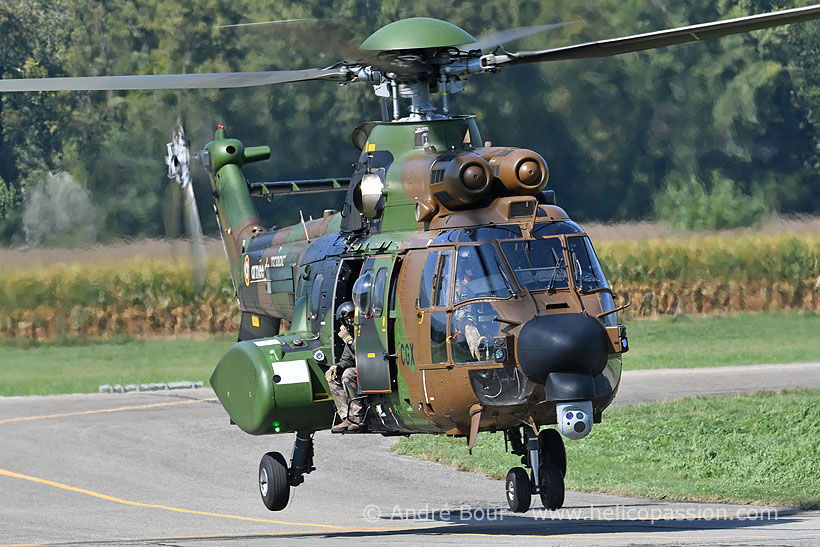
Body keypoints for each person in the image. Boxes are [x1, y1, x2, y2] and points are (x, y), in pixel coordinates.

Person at [326, 301, 365, 432]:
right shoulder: (351, 334)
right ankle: (347, 417)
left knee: (348, 374)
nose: (349, 320)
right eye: (346, 319)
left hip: (373, 368)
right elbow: (347, 359)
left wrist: (349, 340)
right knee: (333, 378)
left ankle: (357, 416)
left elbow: (364, 351)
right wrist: (336, 367)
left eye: (351, 317)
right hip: (358, 369)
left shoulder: (365, 330)